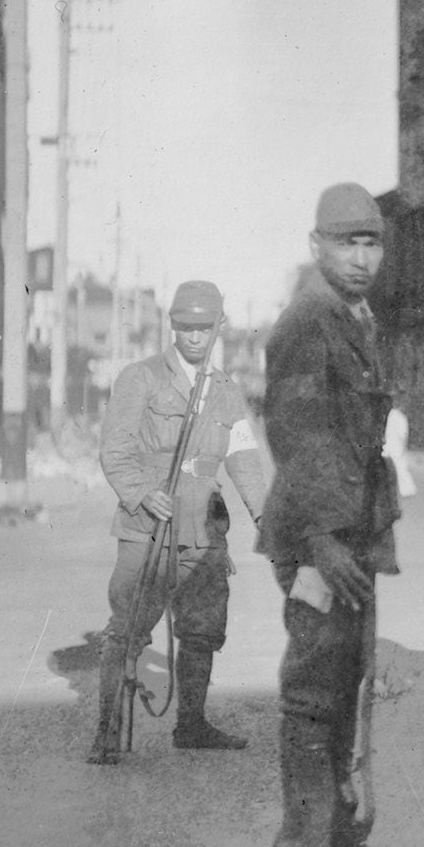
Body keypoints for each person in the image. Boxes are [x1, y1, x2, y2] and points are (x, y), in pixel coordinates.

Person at [258, 183, 415, 847]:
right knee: (322, 692)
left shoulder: (354, 317)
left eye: (371, 242)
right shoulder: (309, 320)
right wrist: (322, 540)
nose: (361, 257)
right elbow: (298, 436)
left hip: (349, 532)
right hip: (324, 537)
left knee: (328, 686)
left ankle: (306, 835)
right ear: (315, 245)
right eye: (346, 242)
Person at [91, 280, 267, 765]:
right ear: (172, 327)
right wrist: (142, 492)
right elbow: (115, 448)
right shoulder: (140, 377)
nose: (194, 337)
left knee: (203, 630)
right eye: (185, 327)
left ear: (219, 328)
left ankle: (191, 725)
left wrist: (264, 514)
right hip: (148, 526)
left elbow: (245, 458)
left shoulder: (226, 391)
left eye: (203, 327)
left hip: (205, 531)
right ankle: (108, 732)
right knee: (128, 629)